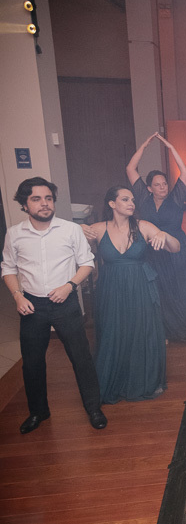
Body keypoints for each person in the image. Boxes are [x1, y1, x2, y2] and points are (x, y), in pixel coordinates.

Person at [2, 177, 107, 433]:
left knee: (81, 358)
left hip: (65, 303)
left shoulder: (70, 229)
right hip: (31, 306)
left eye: (48, 198)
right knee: (32, 363)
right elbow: (8, 268)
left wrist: (69, 286)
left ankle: (94, 408)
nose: (44, 203)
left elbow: (87, 263)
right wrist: (18, 296)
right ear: (25, 205)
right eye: (36, 199)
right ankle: (38, 412)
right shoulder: (15, 234)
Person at [83, 186, 180, 403]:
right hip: (110, 288)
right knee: (113, 331)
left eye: (133, 200)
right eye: (125, 199)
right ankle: (114, 380)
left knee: (141, 331)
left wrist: (164, 235)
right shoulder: (98, 229)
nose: (131, 204)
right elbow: (72, 245)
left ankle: (141, 380)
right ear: (112, 204)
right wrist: (79, 228)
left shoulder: (143, 226)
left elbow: (176, 247)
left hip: (140, 286)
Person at [126, 132, 186, 342]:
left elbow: (184, 171)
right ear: (149, 188)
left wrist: (170, 147)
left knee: (181, 287)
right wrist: (144, 145)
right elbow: (130, 169)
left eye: (165, 184)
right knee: (158, 289)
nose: (163, 187)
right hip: (152, 250)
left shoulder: (176, 198)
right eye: (158, 185)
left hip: (176, 248)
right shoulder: (143, 199)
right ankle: (163, 331)